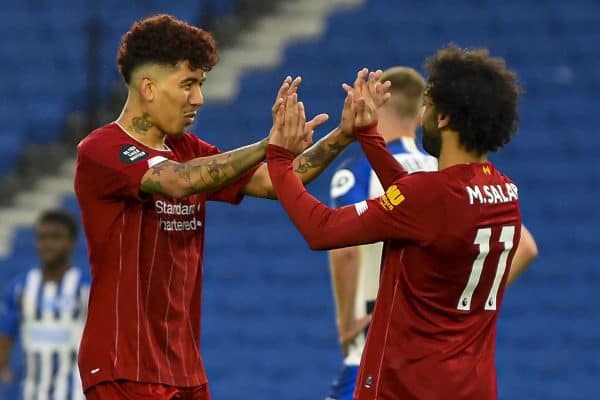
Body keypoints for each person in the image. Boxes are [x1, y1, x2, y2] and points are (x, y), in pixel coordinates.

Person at [73, 14, 354, 400]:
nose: (198, 99)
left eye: (201, 85)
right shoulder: (101, 150)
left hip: (183, 366)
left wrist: (345, 134)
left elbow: (275, 182)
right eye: (188, 85)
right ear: (148, 87)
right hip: (125, 366)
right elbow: (177, 180)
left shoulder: (188, 148)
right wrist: (266, 145)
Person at [267, 46, 538, 399]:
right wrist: (368, 134)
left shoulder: (429, 197)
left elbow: (321, 230)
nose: (422, 113)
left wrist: (279, 159)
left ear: (444, 118)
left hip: (408, 385)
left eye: (429, 105)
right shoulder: (504, 191)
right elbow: (414, 198)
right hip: (472, 385)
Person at [326, 67, 436, 400]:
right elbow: (523, 246)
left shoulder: (359, 170)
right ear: (420, 116)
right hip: (430, 354)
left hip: (374, 349)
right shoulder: (443, 171)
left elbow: (343, 248)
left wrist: (346, 321)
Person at [0, 210, 89, 400]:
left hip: (74, 393)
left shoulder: (86, 288)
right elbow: (6, 337)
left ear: (72, 242)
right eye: (43, 237)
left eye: (56, 237)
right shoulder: (20, 287)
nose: (48, 244)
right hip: (31, 393)